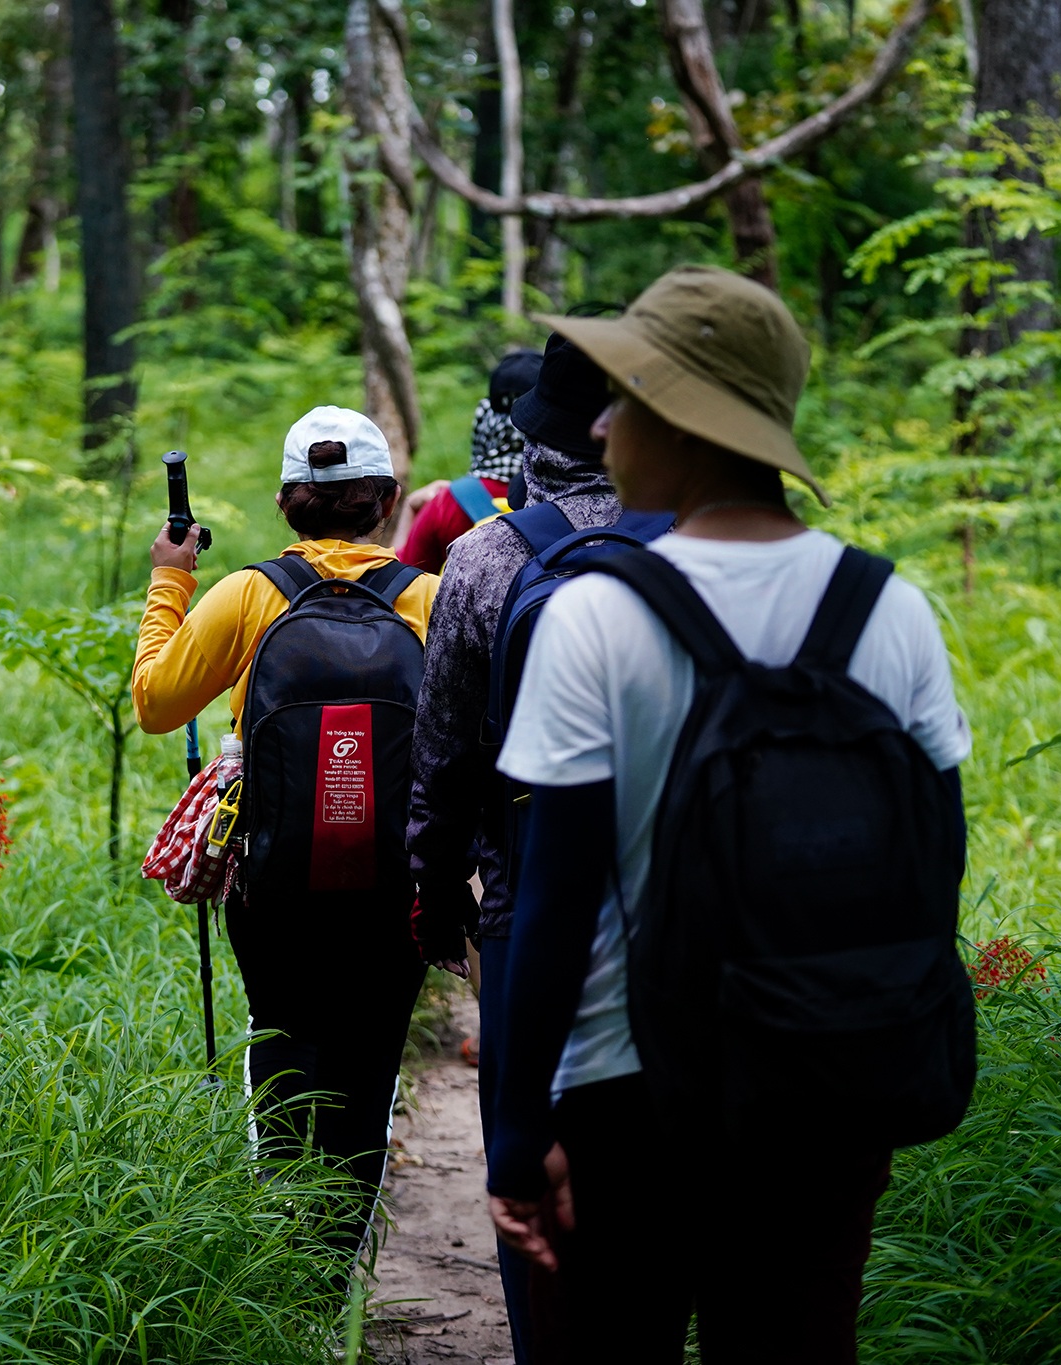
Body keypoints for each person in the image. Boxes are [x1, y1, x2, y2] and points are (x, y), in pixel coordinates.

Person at [486, 266, 972, 1361]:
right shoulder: (887, 607)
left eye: (628, 394)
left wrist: (517, 1131)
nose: (602, 421)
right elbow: (932, 865)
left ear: (688, 423)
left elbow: (553, 899)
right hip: (830, 1082)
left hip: (630, 1090)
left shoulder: (595, 617)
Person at [133, 405, 439, 1273]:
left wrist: (169, 580)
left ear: (285, 502)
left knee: (285, 1038)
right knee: (369, 1061)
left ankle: (283, 1258)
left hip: (274, 882)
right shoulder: (428, 596)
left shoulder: (249, 594)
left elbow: (156, 704)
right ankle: (339, 1260)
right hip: (394, 882)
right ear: (385, 499)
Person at [403, 333, 628, 1363]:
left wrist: (434, 887)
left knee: (530, 1171)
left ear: (530, 437)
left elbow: (441, 753)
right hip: (690, 913)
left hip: (526, 895)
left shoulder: (488, 557)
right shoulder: (693, 542)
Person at [398, 351, 543, 572]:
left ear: (484, 422)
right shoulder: (577, 500)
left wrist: (410, 509)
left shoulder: (446, 503)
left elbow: (397, 589)